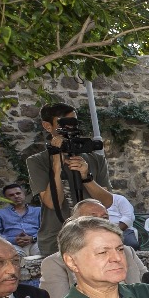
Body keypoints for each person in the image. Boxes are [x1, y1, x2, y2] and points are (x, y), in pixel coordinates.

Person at [25, 102, 113, 254]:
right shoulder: (37, 161)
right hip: (57, 240)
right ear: (47, 126)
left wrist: (86, 178)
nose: (70, 127)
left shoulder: (94, 159)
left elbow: (106, 202)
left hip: (96, 237)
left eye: (73, 122)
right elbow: (53, 203)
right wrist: (56, 165)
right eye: (63, 123)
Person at [41, 200, 145, 298]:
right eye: (92, 217)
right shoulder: (55, 263)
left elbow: (148, 286)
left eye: (105, 217)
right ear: (74, 223)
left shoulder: (126, 251)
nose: (101, 222)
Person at [0, 183, 42, 249]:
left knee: (43, 252)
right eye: (11, 195)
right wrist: (13, 240)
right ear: (6, 198)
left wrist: (33, 238)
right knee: (14, 256)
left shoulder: (38, 211)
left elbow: (46, 230)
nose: (16, 196)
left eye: (18, 193)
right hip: (12, 245)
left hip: (36, 243)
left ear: (23, 194)